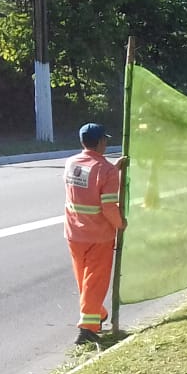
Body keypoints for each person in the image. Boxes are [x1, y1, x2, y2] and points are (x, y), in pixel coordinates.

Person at [63, 123, 127, 345]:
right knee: (96, 281)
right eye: (105, 140)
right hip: (98, 235)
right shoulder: (106, 171)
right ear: (101, 142)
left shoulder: (71, 164)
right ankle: (87, 329)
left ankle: (97, 314)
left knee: (84, 279)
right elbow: (108, 206)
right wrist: (120, 223)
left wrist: (114, 168)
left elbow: (90, 180)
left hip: (74, 233)